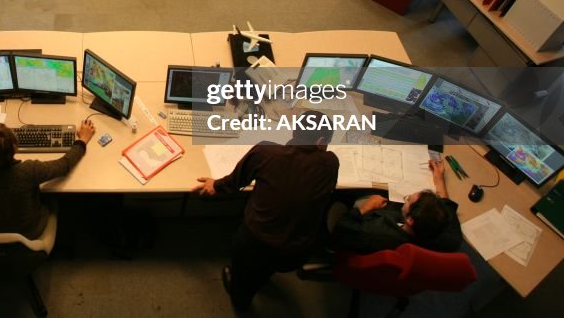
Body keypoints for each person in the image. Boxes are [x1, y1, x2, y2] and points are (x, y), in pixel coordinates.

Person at [192, 111, 339, 311]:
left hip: (255, 244)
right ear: (321, 141)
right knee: (266, 267)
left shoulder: (266, 151)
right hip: (297, 250)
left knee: (244, 281)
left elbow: (234, 183)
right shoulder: (331, 163)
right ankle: (261, 277)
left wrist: (215, 185)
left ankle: (241, 299)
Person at [0, 119, 95, 239]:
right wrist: (83, 139)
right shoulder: (29, 171)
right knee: (51, 194)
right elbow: (65, 165)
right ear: (15, 147)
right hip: (31, 231)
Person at [330, 159, 461, 254]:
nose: (407, 198)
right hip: (391, 219)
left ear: (410, 220)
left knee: (344, 193)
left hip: (356, 234)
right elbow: (445, 206)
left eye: (408, 200)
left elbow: (341, 228)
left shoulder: (374, 232)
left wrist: (366, 207)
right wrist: (439, 179)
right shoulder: (447, 237)